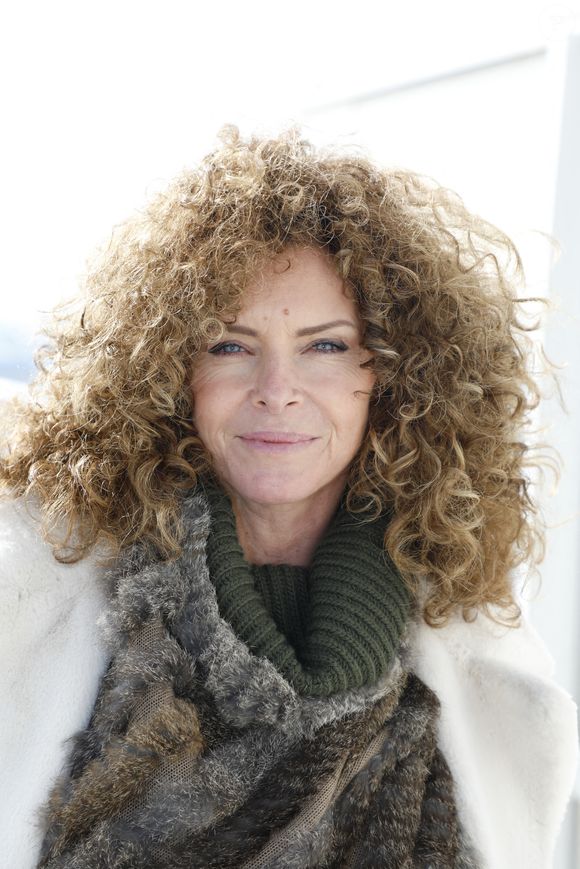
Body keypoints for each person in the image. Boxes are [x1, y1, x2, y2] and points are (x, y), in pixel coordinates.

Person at [0, 125, 577, 869]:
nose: (278, 392)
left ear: (393, 373)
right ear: (171, 367)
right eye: (231, 345)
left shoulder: (469, 630)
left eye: (326, 345)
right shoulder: (38, 589)